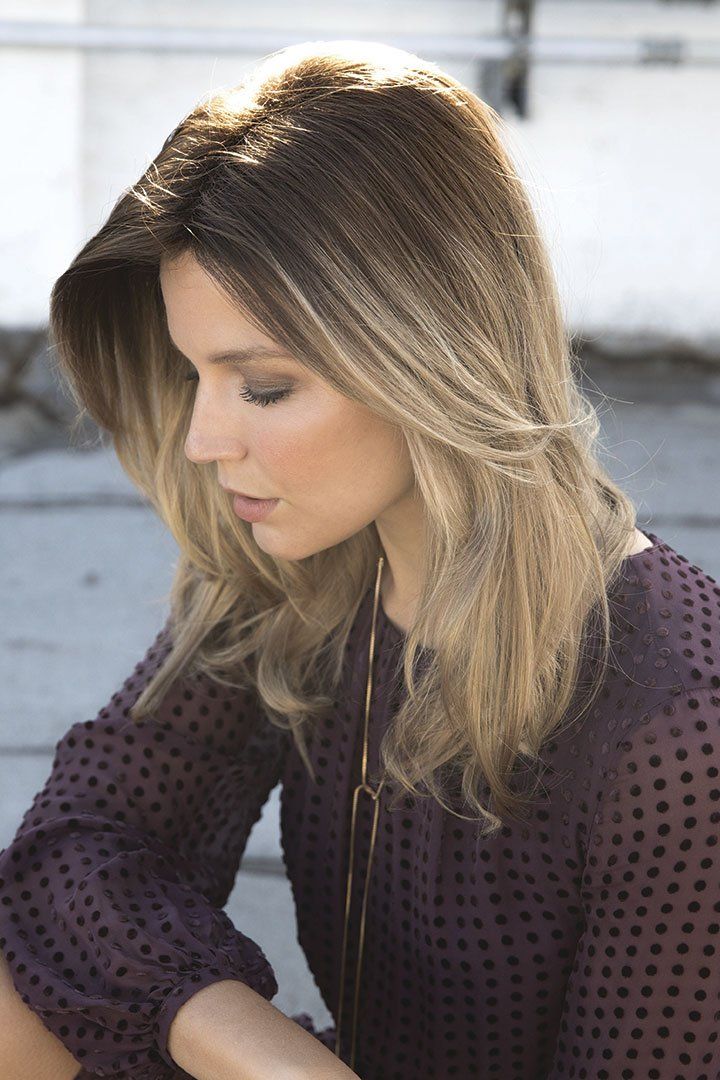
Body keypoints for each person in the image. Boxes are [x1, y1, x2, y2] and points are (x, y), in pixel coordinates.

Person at [1, 38, 718, 1080]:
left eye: (263, 386)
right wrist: (264, 1055)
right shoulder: (300, 578)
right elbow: (77, 846)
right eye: (194, 374)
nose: (202, 440)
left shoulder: (679, 729)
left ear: (428, 356)